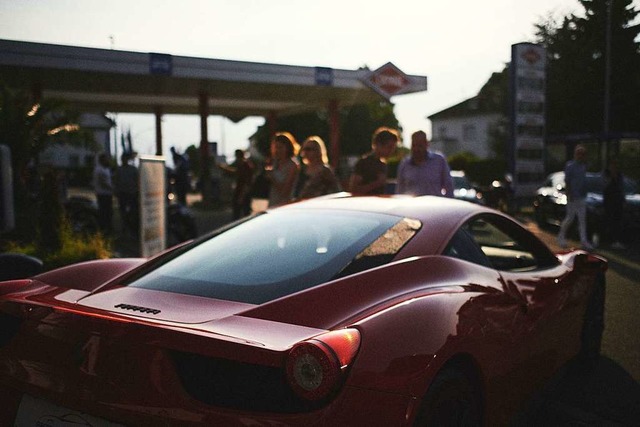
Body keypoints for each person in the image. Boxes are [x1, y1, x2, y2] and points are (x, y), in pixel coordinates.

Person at [396, 130, 454, 197]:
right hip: (412, 206)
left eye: (420, 145)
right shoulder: (405, 164)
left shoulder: (439, 161)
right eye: (414, 145)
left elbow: (449, 187)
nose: (416, 149)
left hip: (434, 206)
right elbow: (399, 191)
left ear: (427, 144)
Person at [557, 144, 593, 250]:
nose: (581, 156)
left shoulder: (583, 166)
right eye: (579, 154)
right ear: (575, 154)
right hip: (572, 196)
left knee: (582, 219)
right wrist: (569, 194)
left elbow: (584, 181)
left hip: (581, 196)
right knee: (570, 218)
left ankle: (584, 241)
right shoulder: (570, 166)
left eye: (583, 154)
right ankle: (561, 236)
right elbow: (567, 181)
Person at [349, 127, 399, 195]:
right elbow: (353, 189)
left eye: (393, 148)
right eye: (389, 147)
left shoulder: (383, 165)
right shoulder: (364, 163)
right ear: (378, 144)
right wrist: (376, 183)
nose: (391, 151)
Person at [266, 132, 300, 207]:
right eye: (276, 147)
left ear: (288, 148)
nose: (277, 150)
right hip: (272, 203)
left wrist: (272, 177)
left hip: (285, 205)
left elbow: (285, 191)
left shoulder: (292, 165)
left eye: (280, 147)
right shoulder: (275, 163)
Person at [219, 149, 254, 219]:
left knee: (241, 213)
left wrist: (242, 195)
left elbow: (246, 182)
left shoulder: (244, 165)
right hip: (242, 192)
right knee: (242, 212)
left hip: (242, 192)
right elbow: (235, 172)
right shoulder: (244, 165)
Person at [602, 159, 626, 249]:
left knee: (618, 220)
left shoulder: (619, 175)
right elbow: (605, 186)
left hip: (618, 201)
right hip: (609, 201)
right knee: (610, 220)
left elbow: (621, 188)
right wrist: (611, 177)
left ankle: (617, 240)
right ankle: (610, 240)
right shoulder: (606, 174)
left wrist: (623, 200)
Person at [114, 152, 139, 235]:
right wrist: (116, 191)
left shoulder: (133, 169)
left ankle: (132, 227)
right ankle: (124, 227)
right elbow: (116, 181)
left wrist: (137, 191)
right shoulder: (119, 169)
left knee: (133, 211)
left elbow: (137, 181)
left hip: (132, 193)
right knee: (123, 211)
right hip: (122, 193)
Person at [93, 152, 113, 234]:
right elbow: (103, 182)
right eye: (106, 159)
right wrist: (113, 189)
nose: (107, 160)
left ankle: (108, 228)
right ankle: (103, 229)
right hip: (102, 194)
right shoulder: (99, 169)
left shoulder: (106, 169)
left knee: (108, 212)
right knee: (104, 212)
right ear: (102, 160)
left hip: (108, 194)